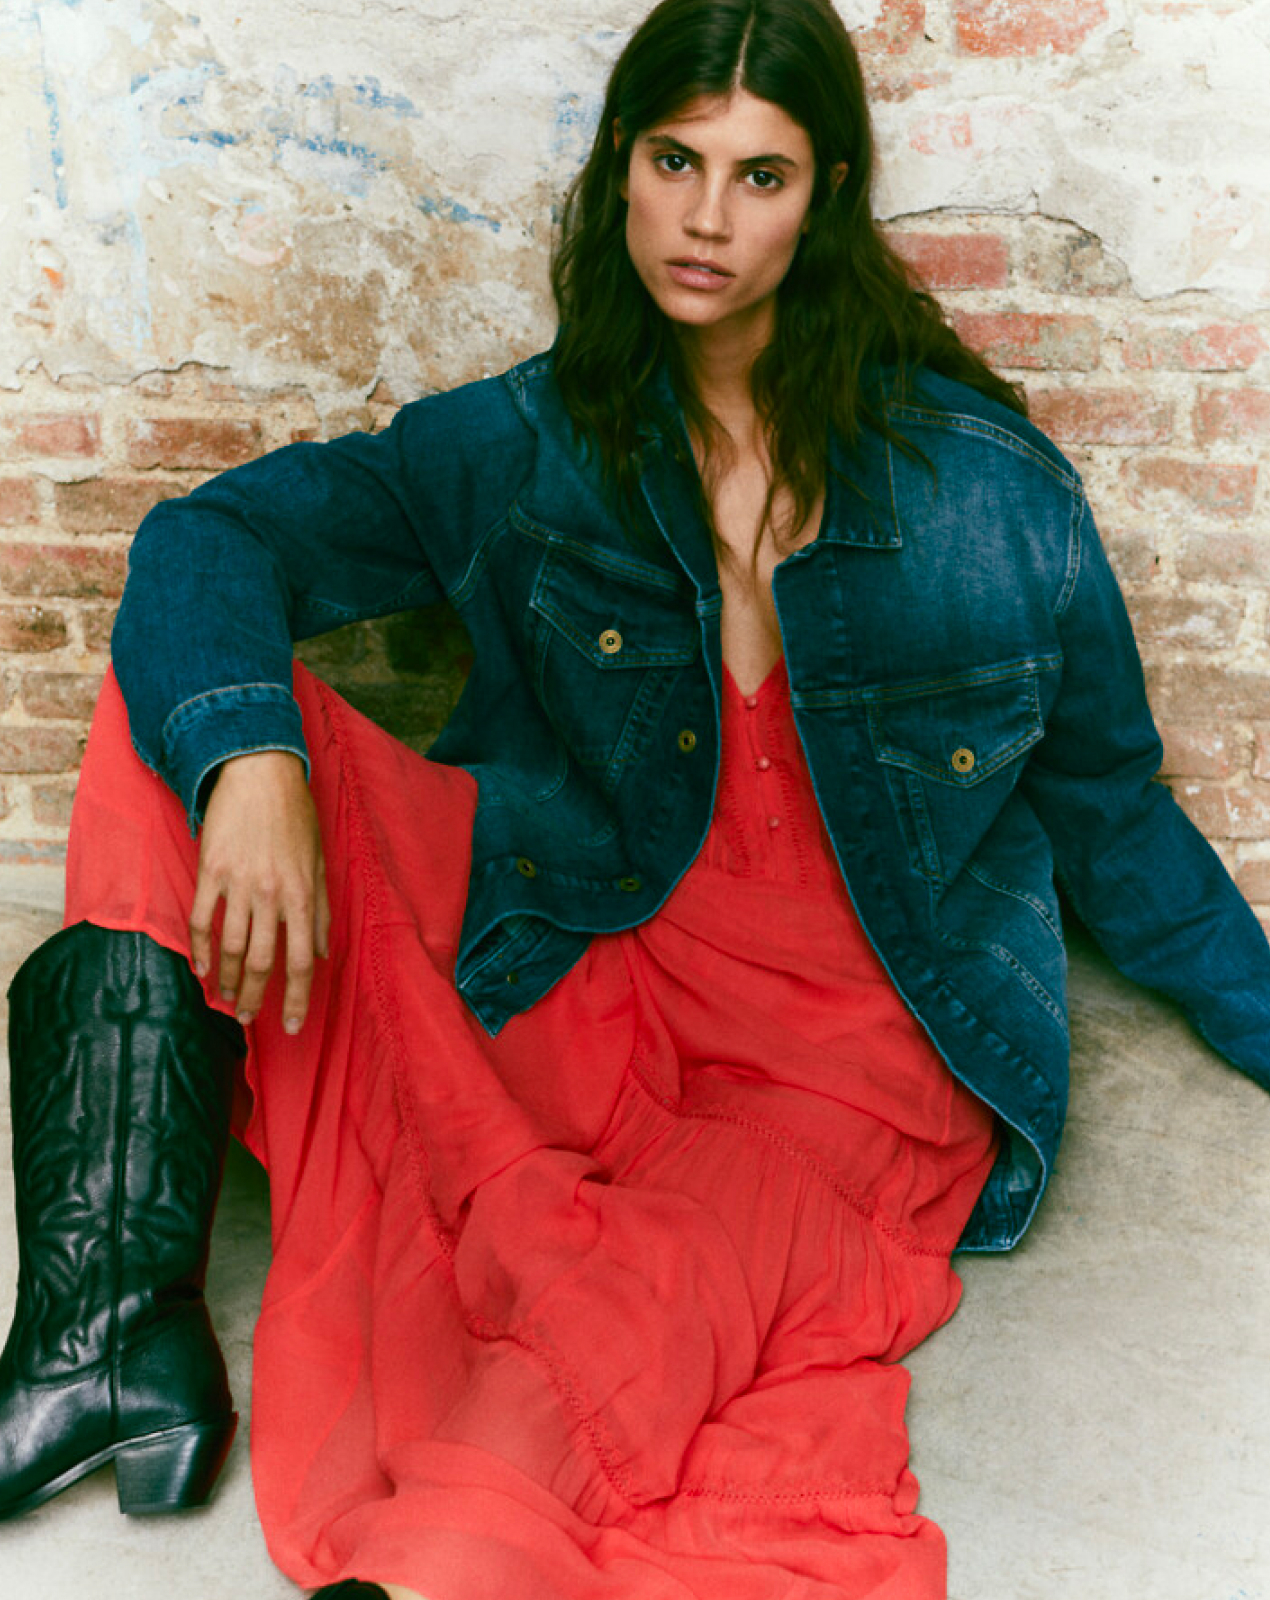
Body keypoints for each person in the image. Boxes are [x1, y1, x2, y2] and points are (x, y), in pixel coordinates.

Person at [2, 0, 1268, 1596]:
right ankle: (108, 1337)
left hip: (845, 1069)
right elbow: (210, 536)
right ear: (619, 167)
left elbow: (1111, 813)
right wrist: (250, 762)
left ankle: (434, 1566)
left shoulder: (988, 498)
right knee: (182, 701)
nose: (706, 219)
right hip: (599, 966)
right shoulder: (542, 440)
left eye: (760, 176)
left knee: (644, 1276)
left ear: (825, 197)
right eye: (675, 161)